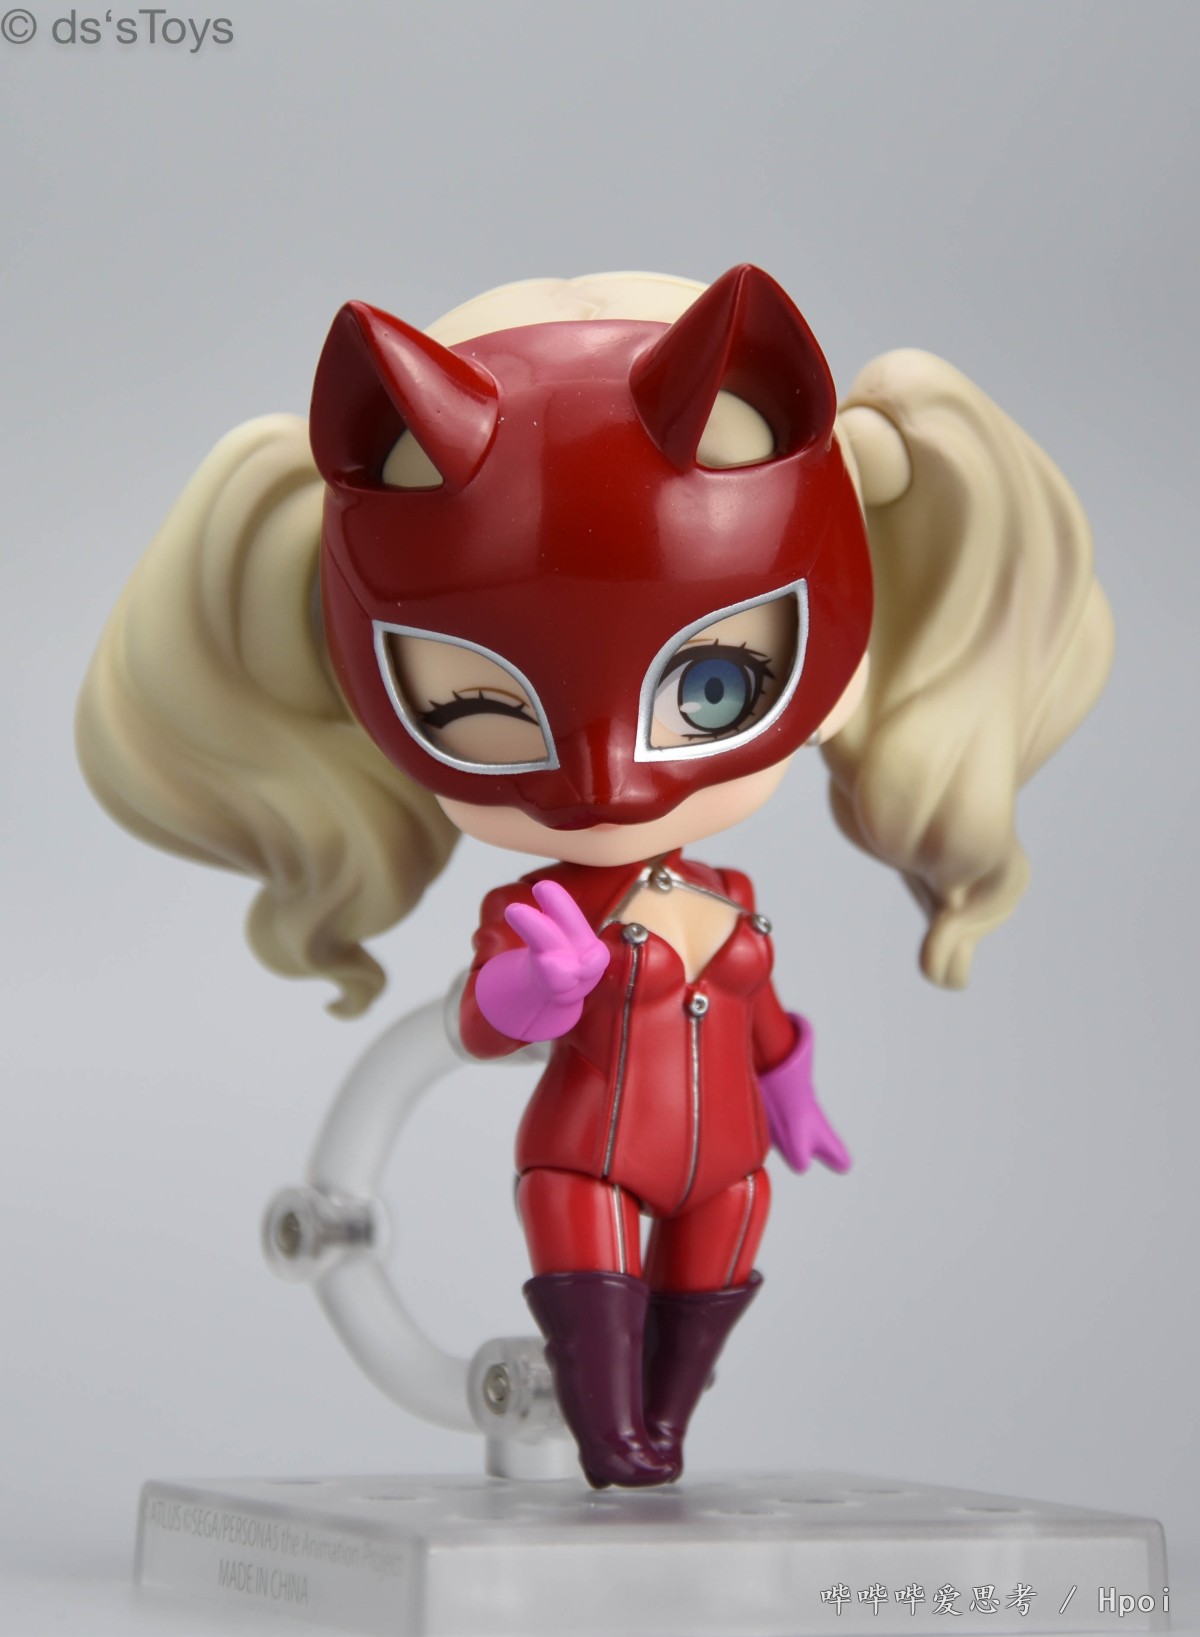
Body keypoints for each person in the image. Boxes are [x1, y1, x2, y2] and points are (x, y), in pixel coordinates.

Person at [77, 265, 1113, 1488]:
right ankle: (613, 1431)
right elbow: (481, 1019)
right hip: (586, 1163)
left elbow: (761, 1012)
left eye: (715, 685)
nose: (608, 786)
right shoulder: (542, 911)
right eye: (475, 704)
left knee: (709, 1297)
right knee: (602, 1319)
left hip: (727, 1164)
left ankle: (659, 1426)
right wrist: (533, 992)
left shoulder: (726, 898)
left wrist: (791, 1086)